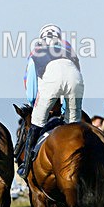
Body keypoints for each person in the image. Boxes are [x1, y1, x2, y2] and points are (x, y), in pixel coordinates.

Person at [18, 24, 84, 178]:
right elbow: (76, 74)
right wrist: (65, 110)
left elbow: (31, 84)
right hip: (75, 79)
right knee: (74, 125)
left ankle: (26, 166)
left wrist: (35, 104)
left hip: (52, 79)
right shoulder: (69, 48)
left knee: (36, 122)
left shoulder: (36, 49)